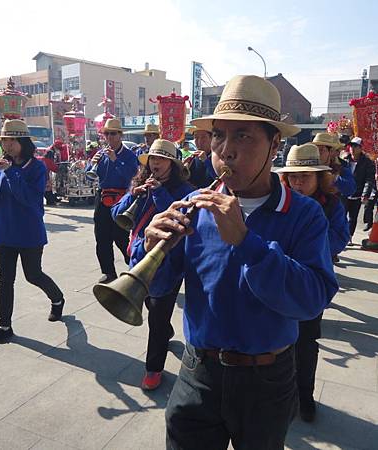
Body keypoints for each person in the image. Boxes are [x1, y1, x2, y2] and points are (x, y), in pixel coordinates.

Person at [131, 75, 338, 449]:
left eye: (243, 136)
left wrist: (246, 243)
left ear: (275, 144)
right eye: (219, 136)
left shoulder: (304, 214)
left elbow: (312, 300)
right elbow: (161, 288)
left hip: (267, 379)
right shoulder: (195, 205)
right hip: (197, 372)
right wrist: (151, 249)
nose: (225, 151)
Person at [112, 139, 194, 390]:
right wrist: (131, 196)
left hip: (167, 262)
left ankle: (153, 369)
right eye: (152, 159)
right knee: (149, 304)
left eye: (161, 159)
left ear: (173, 164)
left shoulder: (185, 191)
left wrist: (158, 192)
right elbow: (116, 214)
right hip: (138, 254)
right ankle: (165, 331)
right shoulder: (139, 183)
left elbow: (178, 221)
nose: (155, 163)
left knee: (157, 316)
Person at [277, 142, 348, 423]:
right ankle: (280, 395)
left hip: (310, 281)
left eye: (305, 176)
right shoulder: (278, 200)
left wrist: (311, 245)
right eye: (293, 176)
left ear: (320, 177)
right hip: (281, 278)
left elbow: (340, 236)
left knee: (306, 342)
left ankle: (305, 395)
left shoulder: (331, 204)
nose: (298, 182)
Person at [0, 120, 65, 347]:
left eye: (10, 140)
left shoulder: (36, 167)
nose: (6, 145)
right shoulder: (2, 166)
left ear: (22, 141)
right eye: (4, 141)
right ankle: (4, 327)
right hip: (4, 233)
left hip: (29, 233)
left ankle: (57, 298)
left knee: (33, 274)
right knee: (4, 280)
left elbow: (30, 199)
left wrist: (10, 173)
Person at [92, 118, 139, 283]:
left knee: (120, 237)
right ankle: (108, 272)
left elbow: (131, 176)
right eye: (107, 134)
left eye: (113, 133)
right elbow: (91, 173)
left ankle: (135, 266)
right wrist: (93, 163)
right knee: (102, 237)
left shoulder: (129, 155)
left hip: (120, 198)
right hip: (103, 196)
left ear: (120, 135)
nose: (109, 137)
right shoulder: (102, 153)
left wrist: (115, 160)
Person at [342, 137, 375, 244]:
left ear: (361, 148)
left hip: (357, 193)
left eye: (355, 146)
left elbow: (369, 180)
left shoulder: (367, 162)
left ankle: (349, 236)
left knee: (353, 216)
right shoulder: (344, 160)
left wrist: (365, 194)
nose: (352, 148)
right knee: (341, 215)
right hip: (344, 193)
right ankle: (341, 234)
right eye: (351, 146)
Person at [312, 132, 356, 197]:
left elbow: (350, 190)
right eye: (315, 150)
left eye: (321, 150)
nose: (318, 153)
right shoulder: (309, 169)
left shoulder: (341, 169)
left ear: (331, 151)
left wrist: (334, 179)